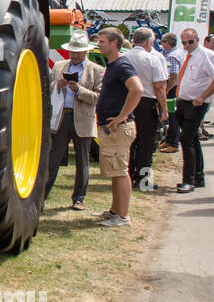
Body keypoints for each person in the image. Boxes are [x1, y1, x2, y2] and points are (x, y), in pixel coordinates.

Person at [45, 29, 103, 210]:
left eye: (79, 51)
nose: (76, 55)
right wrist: (58, 85)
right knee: (52, 159)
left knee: (82, 160)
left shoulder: (96, 70)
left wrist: (78, 90)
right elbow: (47, 89)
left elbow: (98, 98)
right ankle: (43, 195)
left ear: (85, 51)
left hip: (83, 120)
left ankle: (79, 198)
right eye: (73, 51)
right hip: (61, 119)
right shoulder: (59, 66)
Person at [94, 28, 143, 227]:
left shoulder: (122, 65)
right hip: (111, 127)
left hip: (118, 128)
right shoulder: (113, 64)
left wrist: (122, 116)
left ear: (115, 43)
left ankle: (122, 216)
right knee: (115, 170)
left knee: (121, 171)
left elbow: (137, 89)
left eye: (102, 41)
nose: (99, 44)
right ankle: (115, 210)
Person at [172, 29, 214, 192]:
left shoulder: (206, 55)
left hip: (196, 103)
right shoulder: (187, 55)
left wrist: (202, 97)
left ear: (197, 40)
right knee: (192, 139)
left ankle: (189, 180)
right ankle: (198, 177)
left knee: (186, 139)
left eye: (190, 42)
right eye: (184, 42)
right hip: (184, 100)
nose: (187, 45)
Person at [123, 26, 168, 190]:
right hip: (147, 102)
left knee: (129, 141)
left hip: (127, 101)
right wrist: (164, 108)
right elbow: (159, 87)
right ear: (149, 42)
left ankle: (127, 175)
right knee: (146, 143)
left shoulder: (124, 57)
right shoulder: (153, 59)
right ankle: (143, 180)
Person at [159, 32, 182, 153]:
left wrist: (166, 90)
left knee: (172, 116)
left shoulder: (172, 56)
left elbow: (174, 76)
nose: (161, 44)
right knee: (170, 116)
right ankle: (169, 140)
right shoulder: (172, 53)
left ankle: (174, 143)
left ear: (167, 43)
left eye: (162, 41)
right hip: (172, 88)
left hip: (172, 89)